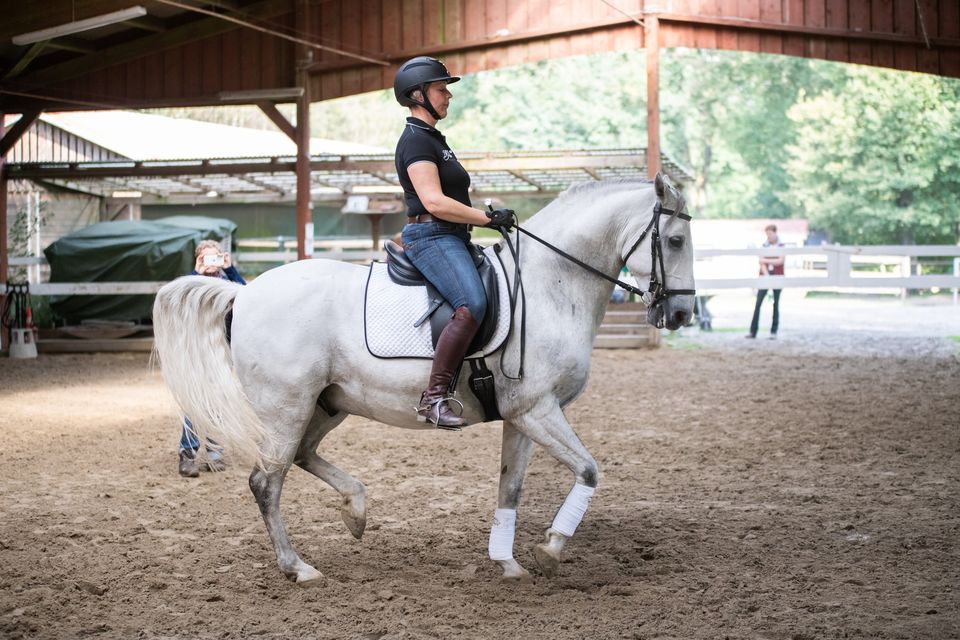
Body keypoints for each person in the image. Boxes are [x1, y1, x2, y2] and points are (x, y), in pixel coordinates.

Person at [393, 56, 515, 429]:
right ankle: (434, 398)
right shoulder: (415, 141)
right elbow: (433, 201)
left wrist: (482, 220)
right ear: (418, 95)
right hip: (431, 236)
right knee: (472, 302)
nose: (448, 96)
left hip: (451, 235)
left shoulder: (433, 139)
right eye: (441, 89)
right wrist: (485, 218)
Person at [177, 239, 246, 477]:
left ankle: (214, 453)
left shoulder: (228, 282)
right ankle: (188, 454)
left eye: (215, 257)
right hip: (196, 352)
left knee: (218, 402)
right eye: (206, 258)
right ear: (199, 260)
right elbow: (181, 300)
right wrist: (195, 273)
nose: (211, 263)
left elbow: (247, 298)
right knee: (194, 404)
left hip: (221, 351)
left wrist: (230, 268)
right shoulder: (192, 283)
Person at [746, 224, 784, 339]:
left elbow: (780, 261)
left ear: (775, 233)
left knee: (776, 304)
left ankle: (774, 331)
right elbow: (761, 263)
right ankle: (753, 331)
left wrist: (766, 260)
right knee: (758, 303)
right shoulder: (764, 246)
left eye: (770, 234)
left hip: (777, 276)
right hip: (765, 275)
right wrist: (767, 275)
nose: (768, 236)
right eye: (767, 234)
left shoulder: (781, 246)